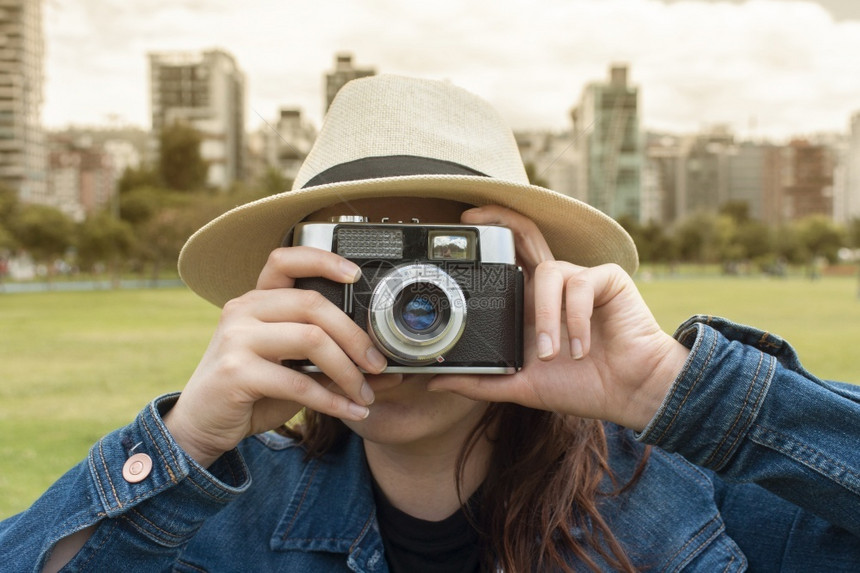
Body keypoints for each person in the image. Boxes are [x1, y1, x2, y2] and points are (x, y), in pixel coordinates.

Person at [2, 75, 859, 573]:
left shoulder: (685, 491)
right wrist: (185, 445)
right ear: (282, 284)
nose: (402, 310)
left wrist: (669, 390)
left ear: (529, 282)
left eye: (449, 268)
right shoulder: (222, 513)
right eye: (362, 268)